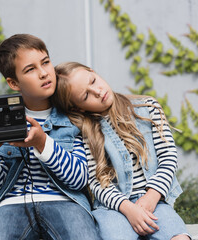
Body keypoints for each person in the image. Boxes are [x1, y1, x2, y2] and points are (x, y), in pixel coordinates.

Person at [0, 35, 101, 240]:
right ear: (14, 83)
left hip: (65, 200)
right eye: (30, 69)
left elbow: (79, 179)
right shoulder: (0, 119)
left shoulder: (72, 117)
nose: (44, 73)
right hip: (11, 204)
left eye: (45, 62)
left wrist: (43, 144)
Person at [52, 61, 191, 240]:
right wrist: (129, 208)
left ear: (94, 72)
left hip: (155, 200)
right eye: (86, 95)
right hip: (113, 208)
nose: (98, 91)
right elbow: (97, 182)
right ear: (77, 108)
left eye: (93, 81)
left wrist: (151, 197)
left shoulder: (148, 108)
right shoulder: (86, 132)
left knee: (180, 237)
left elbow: (169, 157)